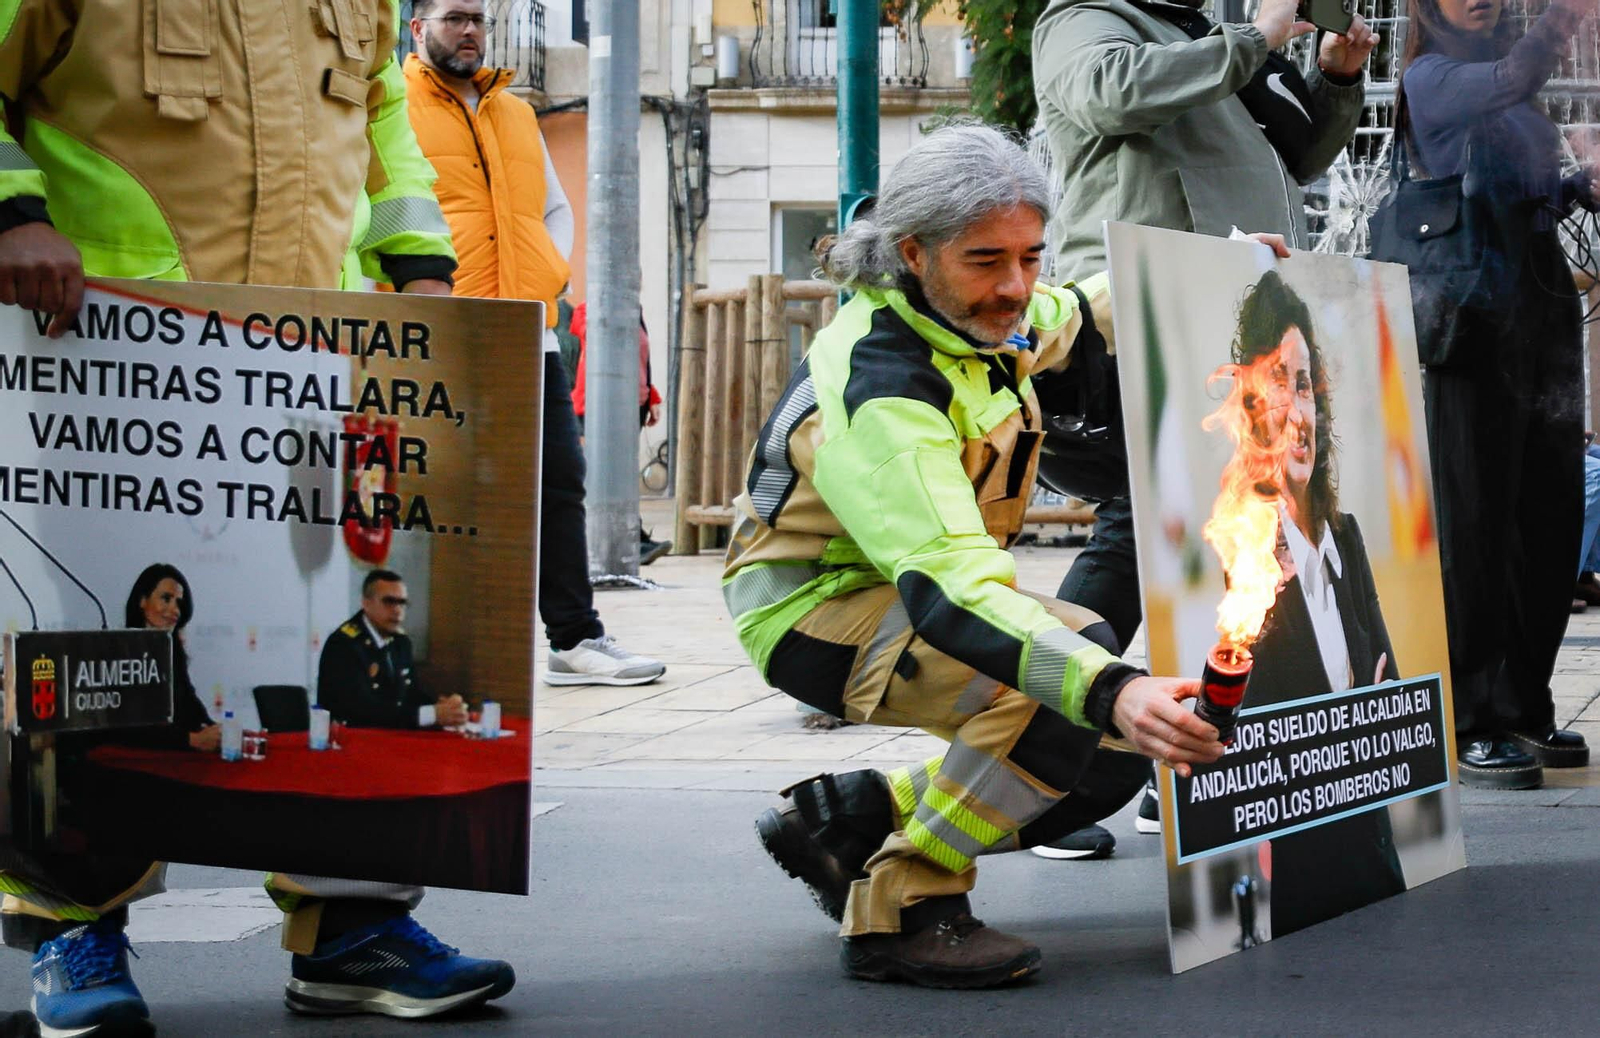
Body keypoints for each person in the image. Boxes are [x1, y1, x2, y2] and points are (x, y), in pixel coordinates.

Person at [0, 1, 515, 1031]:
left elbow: (379, 110)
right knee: (97, 640)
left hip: (307, 352)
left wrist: (419, 262)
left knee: (319, 641)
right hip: (110, 345)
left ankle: (349, 928)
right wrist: (14, 213)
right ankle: (73, 926)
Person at [736, 124, 1225, 989]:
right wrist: (1111, 688)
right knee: (1072, 688)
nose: (1015, 287)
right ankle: (902, 907)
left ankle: (852, 816)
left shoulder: (978, 311)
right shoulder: (882, 388)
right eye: (987, 261)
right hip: (814, 610)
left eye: (1031, 256)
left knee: (1106, 753)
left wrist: (1225, 265)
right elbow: (954, 588)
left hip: (903, 587)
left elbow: (1076, 311)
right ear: (913, 252)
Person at [1024, 0, 1376, 848]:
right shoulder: (1083, 17)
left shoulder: (1196, 35)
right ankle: (1043, 771)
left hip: (1227, 306)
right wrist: (1258, 37)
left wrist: (1334, 80)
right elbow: (1108, 91)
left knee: (1198, 530)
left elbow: (1295, 153)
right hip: (1142, 310)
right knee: (1147, 525)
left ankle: (1138, 764)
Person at [403, 0, 667, 684]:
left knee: (559, 481)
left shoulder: (515, 113)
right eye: (454, 18)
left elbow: (553, 207)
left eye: (478, 19)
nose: (470, 30)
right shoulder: (393, 107)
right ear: (418, 28)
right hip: (439, 329)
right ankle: (427, 640)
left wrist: (544, 279)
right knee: (438, 487)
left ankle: (574, 640)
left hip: (526, 329)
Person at [1401, 0, 1595, 788]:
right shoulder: (1431, 77)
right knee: (1475, 524)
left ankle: (1524, 703)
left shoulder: (1514, 93)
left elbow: (1520, 189)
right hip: (1469, 323)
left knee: (1549, 518)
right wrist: (1566, 17)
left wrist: (1577, 184)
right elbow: (1514, 76)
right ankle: (1471, 717)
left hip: (1541, 316)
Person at [1220, 271, 1407, 935]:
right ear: (1248, 402)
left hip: (1378, 859)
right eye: (1278, 381)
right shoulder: (1243, 547)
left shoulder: (1345, 538)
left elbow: (1390, 698)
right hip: (1301, 887)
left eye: (1304, 384)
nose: (1298, 410)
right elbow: (1248, 736)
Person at [569, 302, 671, 564]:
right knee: (608, 476)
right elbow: (597, 340)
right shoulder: (589, 308)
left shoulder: (635, 309)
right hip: (601, 404)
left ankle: (634, 538)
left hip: (632, 403)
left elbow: (638, 360)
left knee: (622, 476)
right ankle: (625, 541)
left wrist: (651, 396)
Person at [317, 570, 469, 729]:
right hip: (352, 738)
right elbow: (361, 711)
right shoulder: (345, 644)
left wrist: (445, 708)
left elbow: (410, 695)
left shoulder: (400, 642)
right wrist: (431, 714)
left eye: (402, 603)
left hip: (391, 735)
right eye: (389, 602)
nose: (397, 610)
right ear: (366, 603)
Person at [122, 564, 219, 752]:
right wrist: (191, 740)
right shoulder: (121, 652)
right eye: (166, 599)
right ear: (142, 601)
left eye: (179, 603)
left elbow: (189, 703)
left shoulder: (173, 651)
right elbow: (129, 726)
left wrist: (213, 729)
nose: (175, 610)